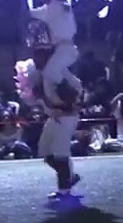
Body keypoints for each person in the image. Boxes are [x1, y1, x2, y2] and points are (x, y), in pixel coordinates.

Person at [16, 53, 86, 209]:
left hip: (65, 117)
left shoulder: (55, 74)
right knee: (45, 151)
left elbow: (76, 89)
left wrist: (69, 107)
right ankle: (70, 177)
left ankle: (64, 189)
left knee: (60, 153)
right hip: (54, 117)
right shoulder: (42, 78)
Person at [28, 0, 81, 110]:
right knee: (61, 74)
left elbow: (30, 13)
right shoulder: (64, 5)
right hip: (65, 48)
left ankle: (60, 103)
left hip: (64, 48)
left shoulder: (52, 7)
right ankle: (76, 92)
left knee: (49, 75)